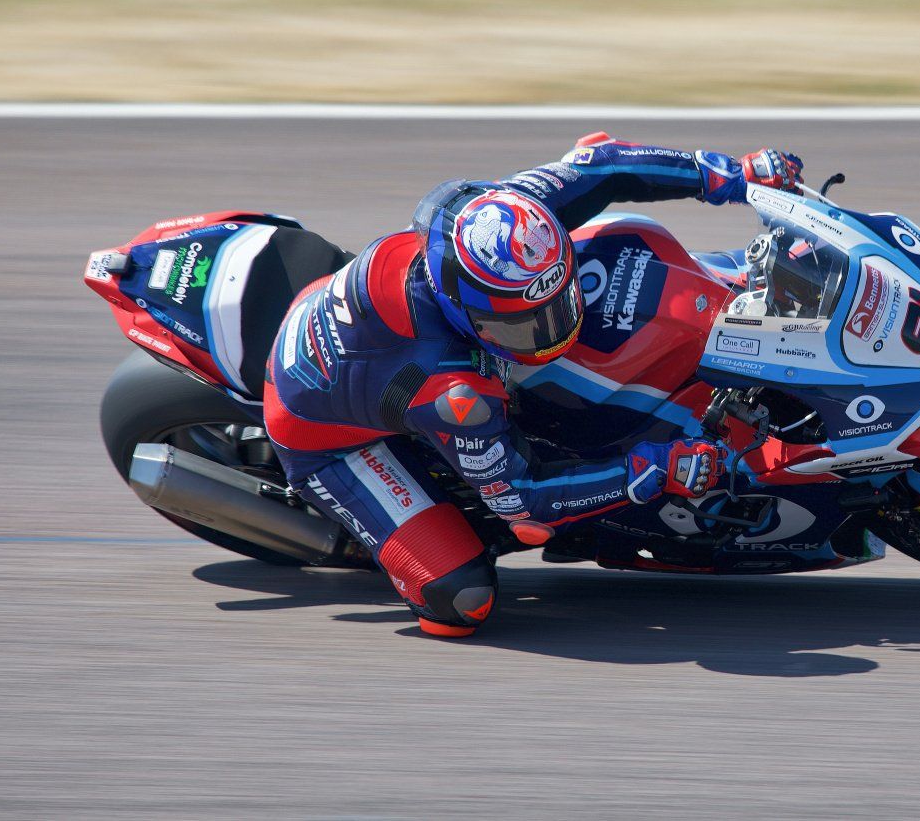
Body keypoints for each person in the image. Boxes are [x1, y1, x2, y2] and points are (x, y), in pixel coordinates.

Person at [261, 134, 804, 636]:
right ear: (460, 307)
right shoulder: (456, 393)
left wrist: (731, 174)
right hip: (327, 435)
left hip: (355, 329)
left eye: (556, 303)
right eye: (522, 325)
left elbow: (602, 164)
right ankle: (375, 537)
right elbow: (523, 505)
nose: (553, 330)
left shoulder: (503, 219)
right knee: (460, 602)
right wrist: (653, 469)